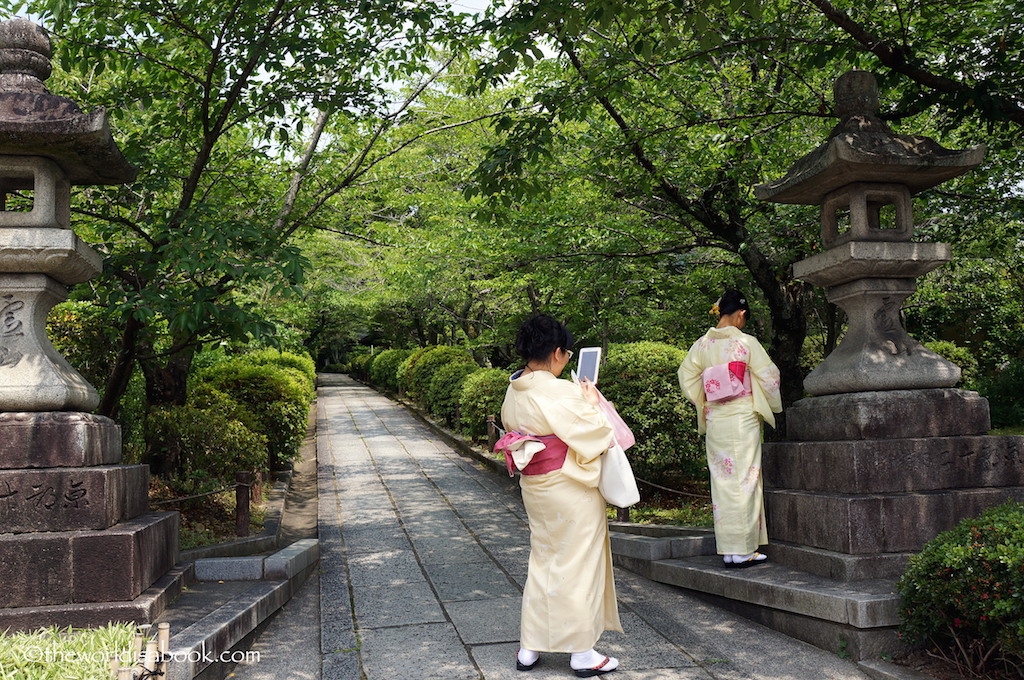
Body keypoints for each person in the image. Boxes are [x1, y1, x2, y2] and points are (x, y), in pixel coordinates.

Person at [497, 314, 622, 677]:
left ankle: (530, 646)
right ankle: (582, 652)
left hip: (536, 486)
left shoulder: (515, 386)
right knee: (577, 563)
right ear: (556, 353)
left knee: (546, 560)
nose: (567, 359)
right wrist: (591, 401)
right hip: (569, 486)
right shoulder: (558, 390)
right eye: (566, 353)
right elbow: (597, 434)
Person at [677, 290, 783, 568]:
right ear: (741, 314)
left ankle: (729, 550)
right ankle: (743, 550)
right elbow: (770, 376)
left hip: (716, 419)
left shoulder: (701, 345)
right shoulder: (746, 342)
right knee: (745, 479)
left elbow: (686, 376)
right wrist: (765, 400)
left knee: (723, 481)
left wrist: (709, 393)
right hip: (742, 416)